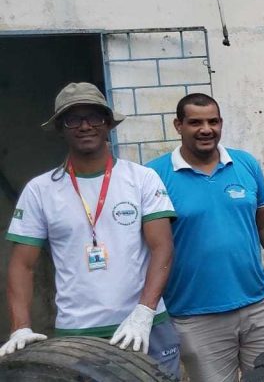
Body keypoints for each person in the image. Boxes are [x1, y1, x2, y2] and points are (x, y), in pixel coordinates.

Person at [2, 82, 180, 377]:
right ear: (61, 127)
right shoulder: (41, 190)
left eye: (94, 117)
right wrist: (20, 327)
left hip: (147, 327)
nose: (85, 126)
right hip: (77, 337)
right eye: (73, 119)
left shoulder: (142, 179)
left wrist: (144, 312)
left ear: (108, 123)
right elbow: (22, 265)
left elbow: (162, 247)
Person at [147, 93, 264, 381]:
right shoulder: (154, 175)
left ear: (221, 123)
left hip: (258, 306)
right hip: (195, 314)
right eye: (195, 122)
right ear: (178, 125)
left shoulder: (245, 164)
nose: (206, 129)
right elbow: (148, 246)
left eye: (213, 121)